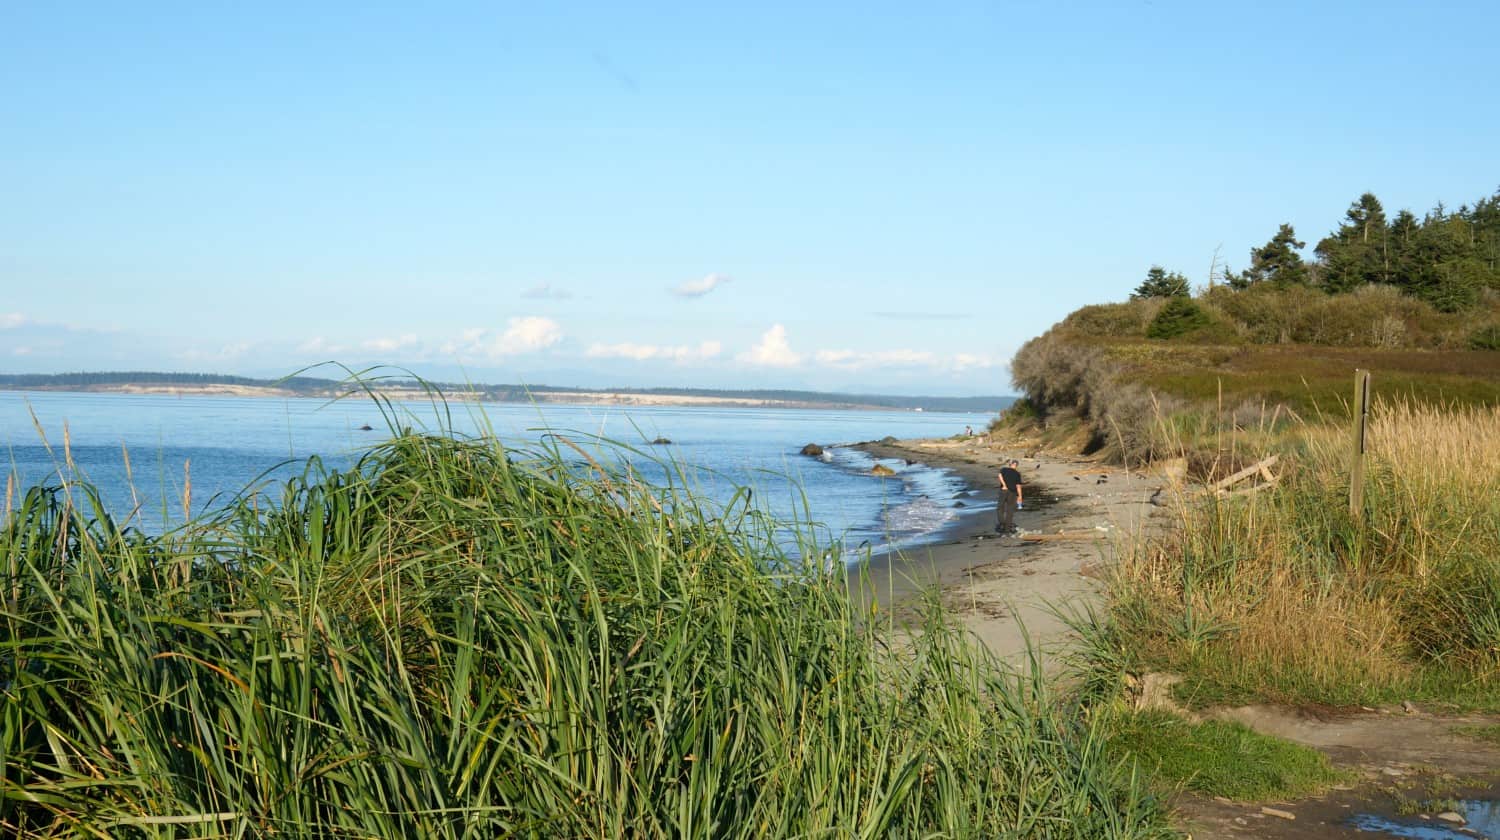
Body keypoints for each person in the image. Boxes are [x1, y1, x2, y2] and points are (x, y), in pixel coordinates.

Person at [996, 459, 1024, 534]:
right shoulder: (1017, 474)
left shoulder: (1004, 469)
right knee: (1010, 510)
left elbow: (999, 476)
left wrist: (1004, 485)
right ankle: (1007, 529)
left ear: (1010, 464)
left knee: (1000, 507)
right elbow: (1018, 486)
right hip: (1012, 492)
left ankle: (1003, 523)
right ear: (1016, 465)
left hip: (1004, 490)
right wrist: (1020, 496)